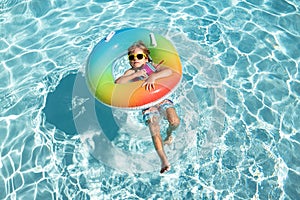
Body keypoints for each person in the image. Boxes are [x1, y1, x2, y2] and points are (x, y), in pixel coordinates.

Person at [115, 41, 180, 174]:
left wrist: (154, 76)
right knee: (155, 131)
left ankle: (169, 134)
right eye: (131, 58)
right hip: (147, 105)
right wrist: (134, 75)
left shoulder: (152, 66)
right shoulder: (130, 72)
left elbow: (169, 71)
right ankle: (164, 160)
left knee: (174, 121)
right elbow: (118, 82)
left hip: (162, 99)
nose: (135, 60)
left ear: (145, 58)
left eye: (138, 57)